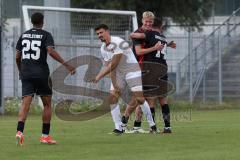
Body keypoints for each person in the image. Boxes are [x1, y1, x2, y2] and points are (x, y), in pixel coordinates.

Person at [15, 12, 75, 146]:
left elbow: (17, 57)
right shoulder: (46, 35)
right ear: (42, 21)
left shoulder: (23, 35)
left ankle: (19, 131)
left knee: (26, 103)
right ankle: (45, 136)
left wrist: (21, 71)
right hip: (42, 74)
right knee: (47, 104)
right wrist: (67, 65)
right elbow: (51, 51)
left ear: (31, 21)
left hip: (26, 74)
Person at [93, 24, 157, 134]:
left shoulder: (118, 42)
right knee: (112, 97)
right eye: (98, 34)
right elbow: (111, 68)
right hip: (119, 73)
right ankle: (119, 128)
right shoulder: (103, 48)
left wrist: (99, 76)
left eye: (101, 32)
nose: (99, 35)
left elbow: (113, 65)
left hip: (132, 70)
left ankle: (152, 125)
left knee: (140, 99)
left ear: (107, 32)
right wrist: (115, 84)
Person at [131, 17, 176, 133]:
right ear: (161, 27)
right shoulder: (164, 38)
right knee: (163, 100)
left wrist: (134, 34)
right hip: (163, 69)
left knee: (149, 99)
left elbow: (136, 36)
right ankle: (167, 127)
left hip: (151, 69)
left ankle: (153, 127)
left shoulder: (149, 33)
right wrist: (169, 44)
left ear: (152, 25)